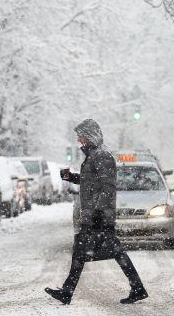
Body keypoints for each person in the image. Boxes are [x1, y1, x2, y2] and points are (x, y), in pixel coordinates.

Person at [45, 119, 148, 305]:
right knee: (88, 251)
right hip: (94, 214)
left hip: (98, 215)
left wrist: (99, 213)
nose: (78, 140)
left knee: (107, 251)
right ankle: (136, 288)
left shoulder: (102, 156)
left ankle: (137, 288)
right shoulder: (93, 156)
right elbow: (92, 183)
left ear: (90, 136)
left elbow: (108, 187)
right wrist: (72, 177)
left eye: (81, 136)